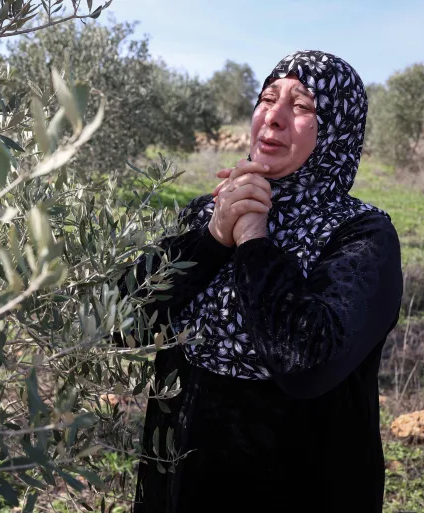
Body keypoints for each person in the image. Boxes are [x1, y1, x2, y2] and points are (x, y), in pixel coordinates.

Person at [123, 51, 404, 512]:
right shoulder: (207, 212)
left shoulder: (363, 235)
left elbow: (308, 363)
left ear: (336, 129)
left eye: (302, 105)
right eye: (267, 99)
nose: (273, 117)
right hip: (176, 484)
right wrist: (213, 238)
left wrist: (254, 239)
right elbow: (124, 324)